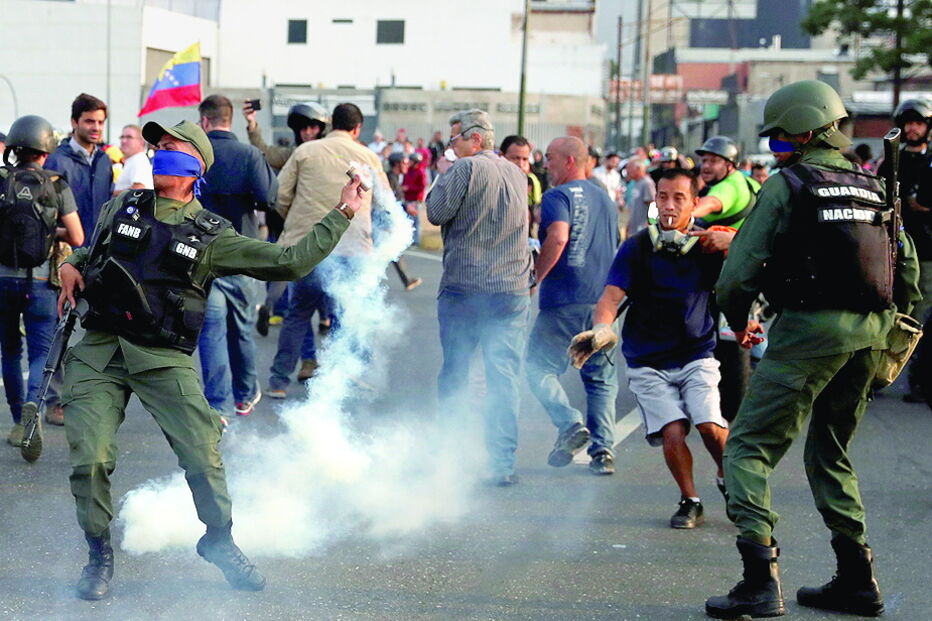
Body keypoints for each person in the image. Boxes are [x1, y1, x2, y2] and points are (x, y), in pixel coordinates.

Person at [57, 119, 364, 600]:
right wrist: (69, 264)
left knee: (203, 456)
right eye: (158, 145)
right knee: (90, 459)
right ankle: (99, 555)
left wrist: (342, 211)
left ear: (196, 164)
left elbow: (289, 262)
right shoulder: (122, 206)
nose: (160, 151)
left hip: (161, 356)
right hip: (100, 350)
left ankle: (219, 539)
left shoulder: (213, 234)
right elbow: (89, 251)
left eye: (172, 145)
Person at [705, 80, 920, 619]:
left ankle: (760, 582)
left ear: (805, 134)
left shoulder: (788, 186)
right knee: (830, 451)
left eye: (780, 140)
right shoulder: (874, 186)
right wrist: (886, 330)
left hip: (807, 336)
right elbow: (909, 274)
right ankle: (858, 580)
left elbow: (736, 276)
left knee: (747, 449)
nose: (777, 151)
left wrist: (738, 323)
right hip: (870, 337)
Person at [573, 169, 734, 527]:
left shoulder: (710, 244)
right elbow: (610, 297)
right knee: (673, 431)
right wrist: (602, 329)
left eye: (679, 198)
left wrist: (732, 243)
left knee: (709, 424)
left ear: (694, 203)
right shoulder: (637, 246)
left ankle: (728, 477)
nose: (669, 205)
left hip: (697, 353)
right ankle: (690, 500)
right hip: (647, 359)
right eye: (663, 197)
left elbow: (761, 262)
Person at [426, 108, 532, 487]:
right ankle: (501, 462)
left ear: (474, 138)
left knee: (456, 372)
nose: (451, 146)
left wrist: (443, 174)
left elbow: (435, 212)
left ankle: (450, 457)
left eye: (455, 139)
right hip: (511, 289)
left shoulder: (464, 168)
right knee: (503, 377)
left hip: (467, 287)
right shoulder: (517, 173)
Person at [268, 103, 389, 398]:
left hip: (307, 247)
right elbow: (385, 203)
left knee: (298, 314)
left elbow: (279, 196)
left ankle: (279, 382)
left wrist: (296, 222)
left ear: (331, 123)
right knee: (349, 316)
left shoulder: (305, 151)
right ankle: (345, 379)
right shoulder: (368, 157)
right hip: (353, 249)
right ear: (358, 129)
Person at [526, 137, 619, 475]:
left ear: (568, 161)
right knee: (600, 379)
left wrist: (535, 278)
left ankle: (569, 423)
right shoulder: (605, 199)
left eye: (550, 158)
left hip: (564, 300)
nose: (545, 164)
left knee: (537, 367)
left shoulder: (557, 196)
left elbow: (559, 236)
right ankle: (603, 452)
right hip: (602, 303)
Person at [1, 115, 84, 444]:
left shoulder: (1, 180)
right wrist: (50, 230)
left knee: (9, 352)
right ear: (45, 150)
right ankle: (33, 407)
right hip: (40, 283)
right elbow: (77, 236)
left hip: (2, 280)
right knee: (40, 353)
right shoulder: (56, 183)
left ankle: (16, 420)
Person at [197, 95, 278, 417]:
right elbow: (268, 197)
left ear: (205, 121)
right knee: (241, 328)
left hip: (203, 255)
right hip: (241, 253)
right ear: (229, 120)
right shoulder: (249, 155)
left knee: (212, 330)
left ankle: (217, 405)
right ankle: (244, 394)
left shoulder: (196, 155)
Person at [692, 136, 761, 423]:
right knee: (736, 338)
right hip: (749, 275)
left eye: (713, 161)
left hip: (724, 280)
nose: (706, 166)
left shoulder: (728, 187)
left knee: (724, 343)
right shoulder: (750, 184)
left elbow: (710, 203)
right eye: (704, 160)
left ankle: (724, 408)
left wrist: (685, 213)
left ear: (730, 165)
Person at [878, 98, 932, 402]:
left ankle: (917, 378)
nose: (913, 129)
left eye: (919, 123)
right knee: (887, 309)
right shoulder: (891, 162)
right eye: (908, 123)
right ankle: (877, 373)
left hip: (926, 252)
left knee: (920, 313)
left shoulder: (931, 162)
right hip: (891, 249)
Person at [46, 93, 113, 240]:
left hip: (97, 247)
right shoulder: (56, 161)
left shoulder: (105, 161)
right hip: (67, 249)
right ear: (74, 122)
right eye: (90, 121)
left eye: (101, 122)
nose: (96, 128)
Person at [243, 101, 329, 172]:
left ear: (322, 129)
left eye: (313, 127)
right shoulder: (294, 155)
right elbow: (265, 152)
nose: (308, 132)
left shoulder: (332, 153)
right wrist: (251, 122)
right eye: (303, 128)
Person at [384, 152, 423, 291]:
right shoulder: (389, 178)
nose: (407, 165)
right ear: (397, 164)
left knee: (392, 250)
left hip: (387, 221)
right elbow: (389, 200)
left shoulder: (394, 177)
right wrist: (406, 206)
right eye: (405, 163)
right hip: (383, 222)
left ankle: (407, 280)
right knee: (383, 251)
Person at [500, 135, 543, 236]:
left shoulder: (527, 180)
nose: (520, 164)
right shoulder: (492, 182)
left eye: (525, 159)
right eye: (515, 158)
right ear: (501, 156)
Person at [113, 125, 153, 195]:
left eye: (129, 137)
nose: (123, 141)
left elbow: (138, 189)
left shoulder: (139, 160)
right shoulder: (133, 159)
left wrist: (111, 193)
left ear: (141, 142)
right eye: (122, 137)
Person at [623, 158, 656, 237]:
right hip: (634, 230)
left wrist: (650, 227)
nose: (627, 171)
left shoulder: (647, 183)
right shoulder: (636, 183)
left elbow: (652, 205)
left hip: (642, 230)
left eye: (629, 168)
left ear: (638, 169)